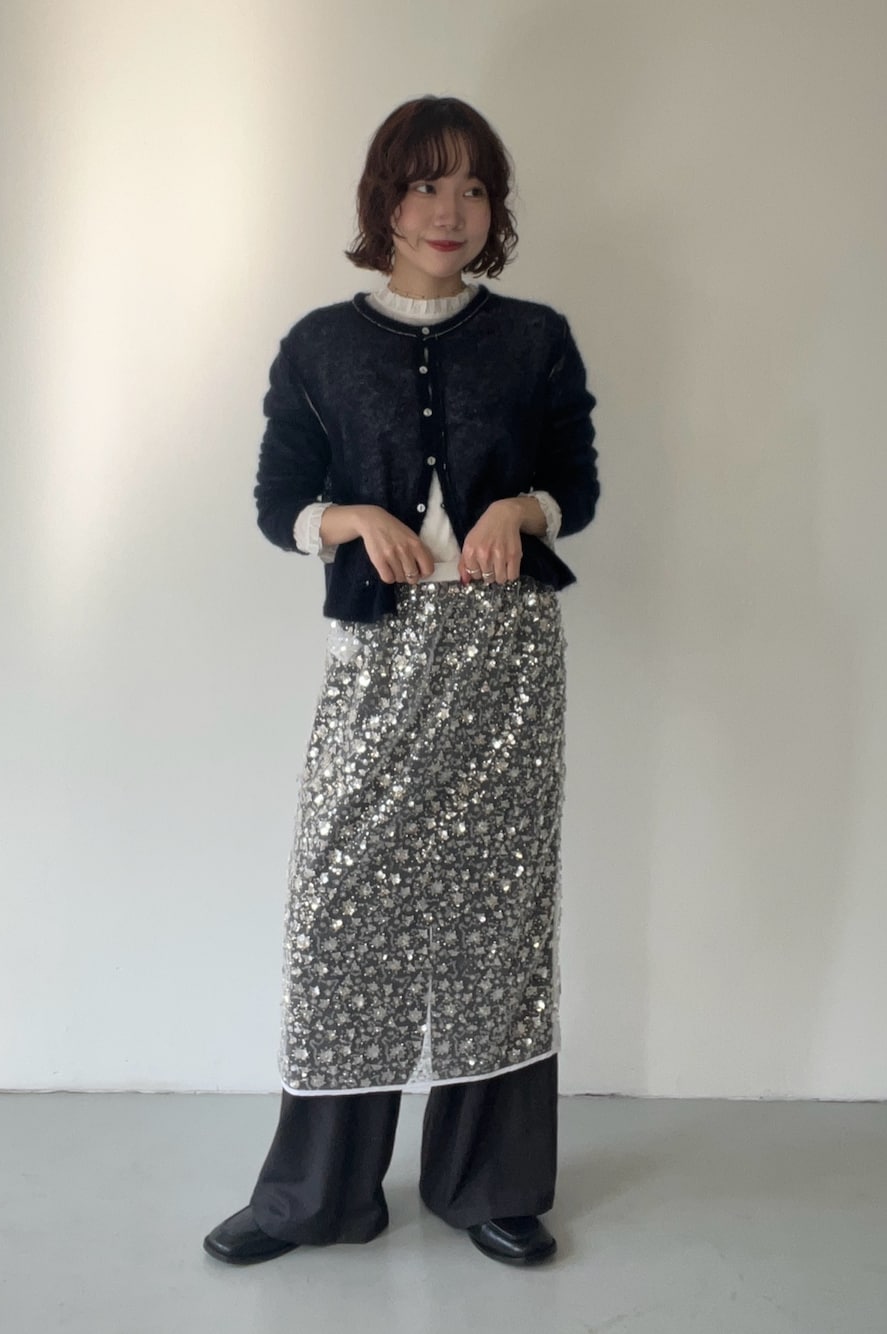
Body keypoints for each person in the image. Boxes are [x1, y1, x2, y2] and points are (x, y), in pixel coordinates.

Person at [203, 94, 599, 1269]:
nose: (450, 209)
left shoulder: (534, 339)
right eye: (427, 183)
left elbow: (575, 482)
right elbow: (279, 500)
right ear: (384, 195)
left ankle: (491, 1184)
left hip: (505, 656)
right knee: (342, 912)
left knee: (496, 915)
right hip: (378, 654)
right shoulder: (319, 345)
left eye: (474, 187)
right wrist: (350, 517)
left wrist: (518, 508)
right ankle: (320, 1193)